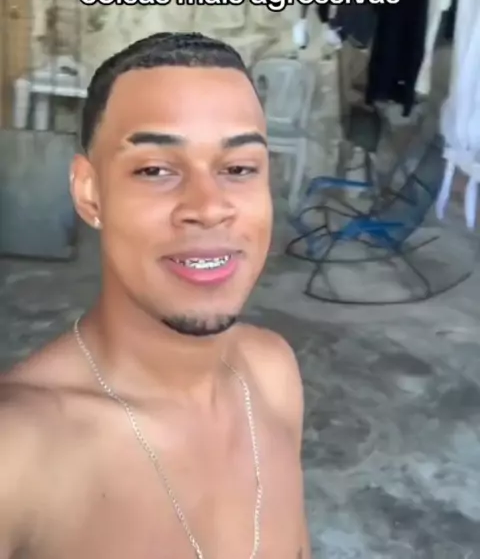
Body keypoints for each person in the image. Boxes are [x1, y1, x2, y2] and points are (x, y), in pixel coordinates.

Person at [0, 32, 311, 559]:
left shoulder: (273, 374)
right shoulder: (20, 453)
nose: (208, 207)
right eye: (156, 170)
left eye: (238, 169)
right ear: (90, 193)